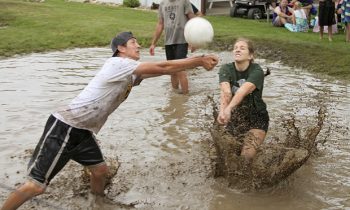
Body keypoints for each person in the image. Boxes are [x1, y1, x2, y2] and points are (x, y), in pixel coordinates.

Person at [0, 31, 218, 210]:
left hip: (83, 131)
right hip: (67, 126)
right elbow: (163, 67)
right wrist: (198, 61)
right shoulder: (117, 64)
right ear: (121, 49)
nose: (138, 46)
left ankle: (97, 203)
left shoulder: (130, 72)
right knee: (37, 186)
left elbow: (163, 69)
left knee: (100, 171)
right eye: (134, 43)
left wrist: (192, 62)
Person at [217, 38, 269, 160]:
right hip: (237, 117)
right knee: (227, 156)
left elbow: (242, 91)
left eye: (242, 48)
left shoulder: (257, 71)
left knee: (245, 158)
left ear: (250, 55)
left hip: (257, 117)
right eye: (235, 48)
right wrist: (222, 112)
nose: (237, 50)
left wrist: (228, 109)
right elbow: (226, 92)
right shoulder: (225, 69)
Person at [149, 0, 196, 94]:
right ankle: (175, 96)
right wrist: (153, 43)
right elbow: (160, 24)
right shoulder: (162, 4)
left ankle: (185, 96)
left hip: (182, 40)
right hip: (168, 42)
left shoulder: (184, 2)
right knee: (172, 70)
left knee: (180, 70)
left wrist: (193, 40)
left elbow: (192, 20)